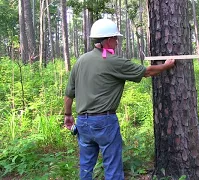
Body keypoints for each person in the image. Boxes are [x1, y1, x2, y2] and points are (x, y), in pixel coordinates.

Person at [63, 18, 175, 180]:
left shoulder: (81, 61)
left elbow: (68, 95)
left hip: (82, 123)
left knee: (86, 166)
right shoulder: (113, 61)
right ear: (108, 40)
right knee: (113, 166)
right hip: (104, 122)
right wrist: (166, 66)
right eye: (115, 38)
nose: (117, 42)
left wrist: (68, 115)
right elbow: (147, 72)